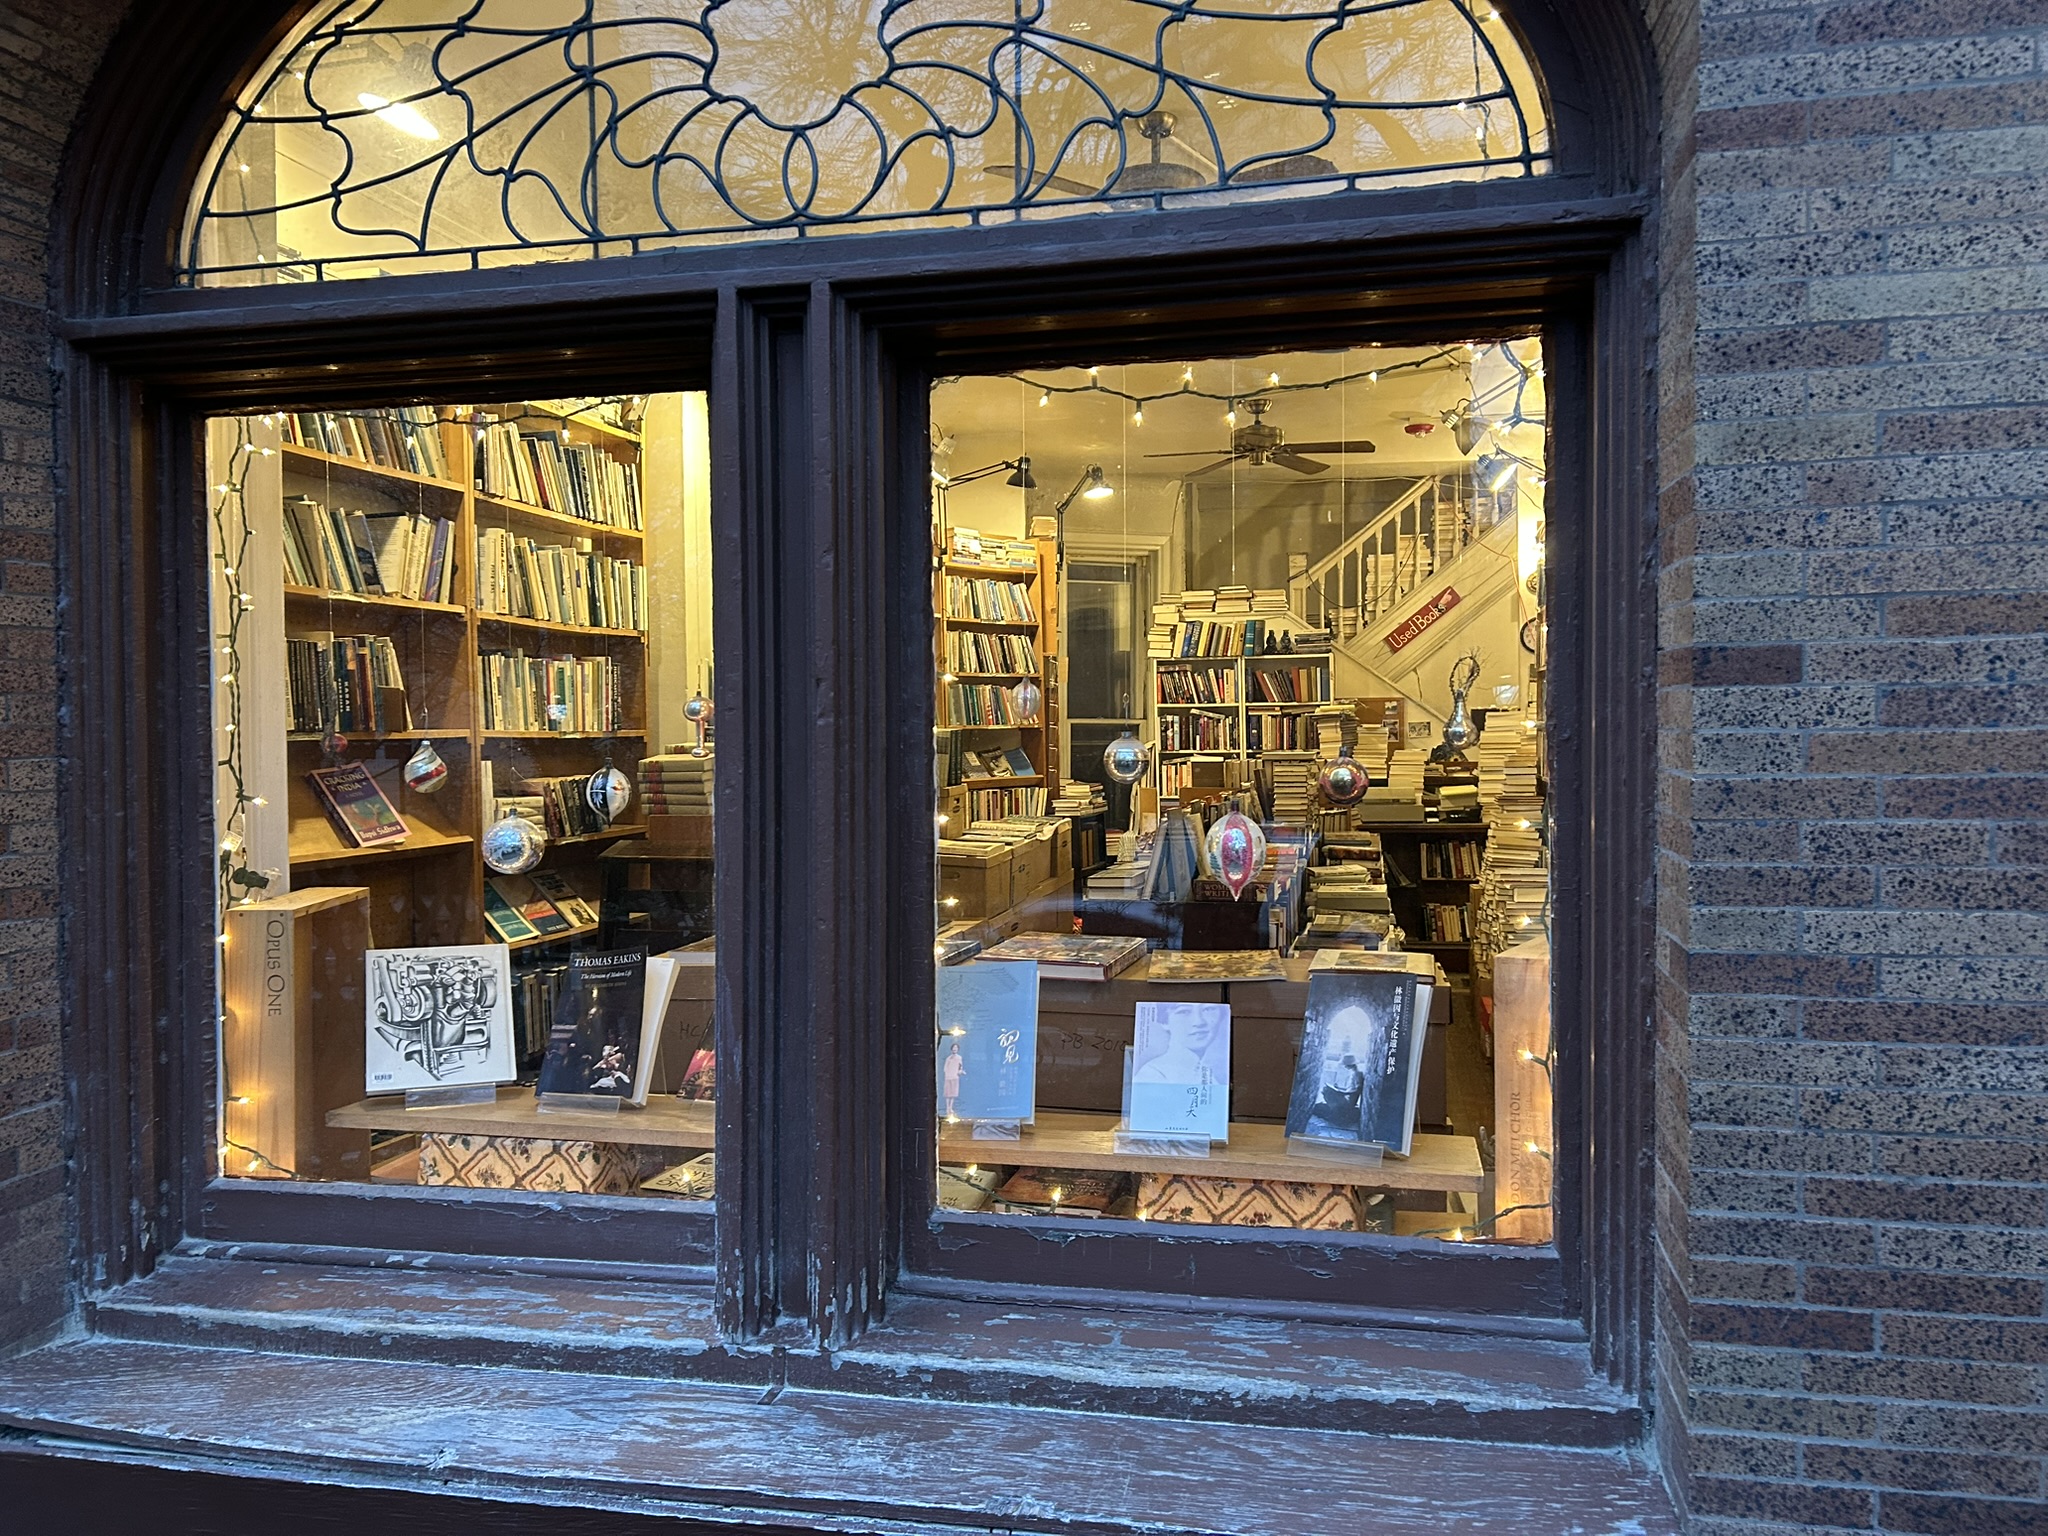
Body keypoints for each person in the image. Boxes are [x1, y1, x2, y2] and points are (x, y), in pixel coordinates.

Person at [941, 1038, 966, 1117]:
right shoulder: (948, 1058)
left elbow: (960, 1067)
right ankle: (947, 1107)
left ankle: (951, 1107)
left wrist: (960, 1072)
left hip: (955, 1077)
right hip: (948, 1077)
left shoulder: (959, 1058)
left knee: (953, 1093)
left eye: (956, 1048)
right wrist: (947, 1074)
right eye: (953, 1048)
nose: (954, 1049)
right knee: (948, 1093)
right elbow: (945, 1068)